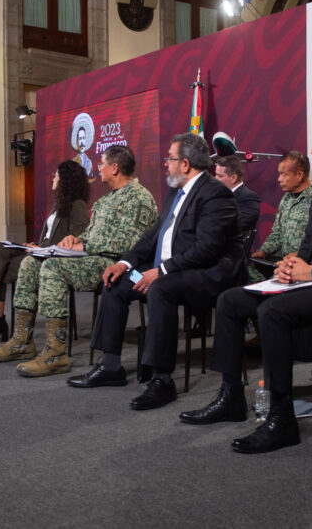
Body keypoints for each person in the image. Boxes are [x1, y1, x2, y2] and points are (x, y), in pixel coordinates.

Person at [178, 111, 312, 455]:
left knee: (274, 312)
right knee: (231, 301)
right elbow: (310, 247)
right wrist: (290, 263)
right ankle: (231, 397)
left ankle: (281, 420)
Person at [66, 133, 243, 411]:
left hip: (204, 274)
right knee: (117, 282)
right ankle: (111, 366)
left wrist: (161, 271)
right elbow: (154, 235)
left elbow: (208, 249)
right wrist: (125, 263)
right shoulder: (176, 191)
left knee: (161, 289)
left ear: (185, 164)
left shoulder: (215, 193)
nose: (165, 164)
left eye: (170, 159)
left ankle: (162, 380)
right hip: (166, 270)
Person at [0, 145, 157, 378]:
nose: (99, 168)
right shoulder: (105, 201)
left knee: (53, 267)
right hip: (91, 258)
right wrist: (75, 238)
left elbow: (131, 244)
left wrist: (84, 245)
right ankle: (22, 341)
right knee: (30, 263)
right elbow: (92, 235)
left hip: (116, 265)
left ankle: (56, 353)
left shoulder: (139, 197)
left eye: (102, 163)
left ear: (115, 168)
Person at [0, 160, 90, 343]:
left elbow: (79, 237)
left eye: (56, 175)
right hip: (40, 251)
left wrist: (42, 248)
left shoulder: (77, 205)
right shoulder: (59, 204)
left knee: (0, 268)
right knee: (0, 249)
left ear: (65, 180)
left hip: (51, 259)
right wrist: (35, 245)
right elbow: (50, 236)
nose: (53, 178)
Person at [247, 151, 312, 283]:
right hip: (279, 263)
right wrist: (264, 251)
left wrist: (300, 254)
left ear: (299, 175)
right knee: (242, 273)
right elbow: (277, 232)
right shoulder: (286, 198)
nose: (279, 179)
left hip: (301, 268)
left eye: (283, 174)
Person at [214, 155, 260, 231]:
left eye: (219, 176)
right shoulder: (215, 195)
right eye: (215, 174)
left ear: (233, 178)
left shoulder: (249, 198)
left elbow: (236, 225)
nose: (215, 179)